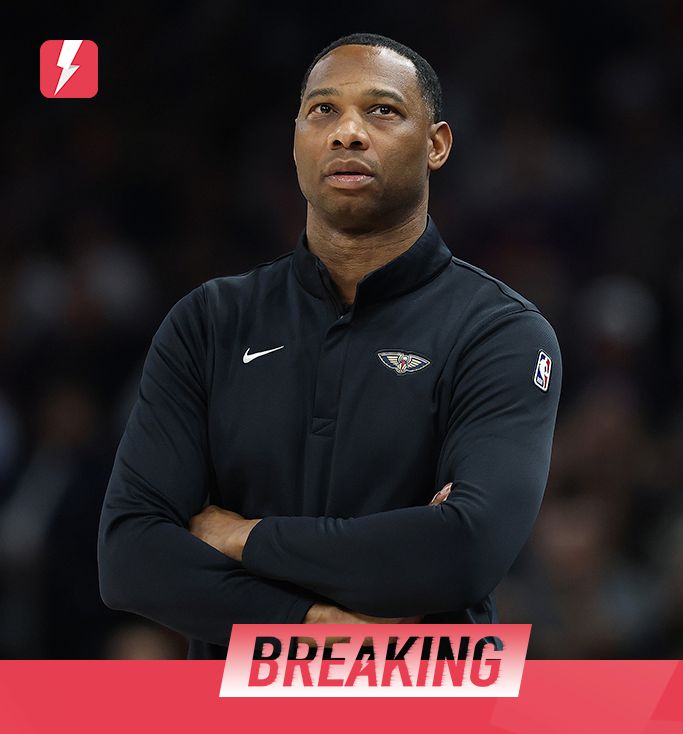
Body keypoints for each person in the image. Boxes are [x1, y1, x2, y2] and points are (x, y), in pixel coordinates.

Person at [98, 32, 562, 659]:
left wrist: (239, 537)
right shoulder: (209, 321)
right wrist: (316, 623)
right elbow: (129, 558)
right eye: (324, 110)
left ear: (436, 145)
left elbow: (465, 551)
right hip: (237, 716)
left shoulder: (500, 331)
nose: (347, 133)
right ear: (296, 141)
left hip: (426, 711)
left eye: (382, 110)